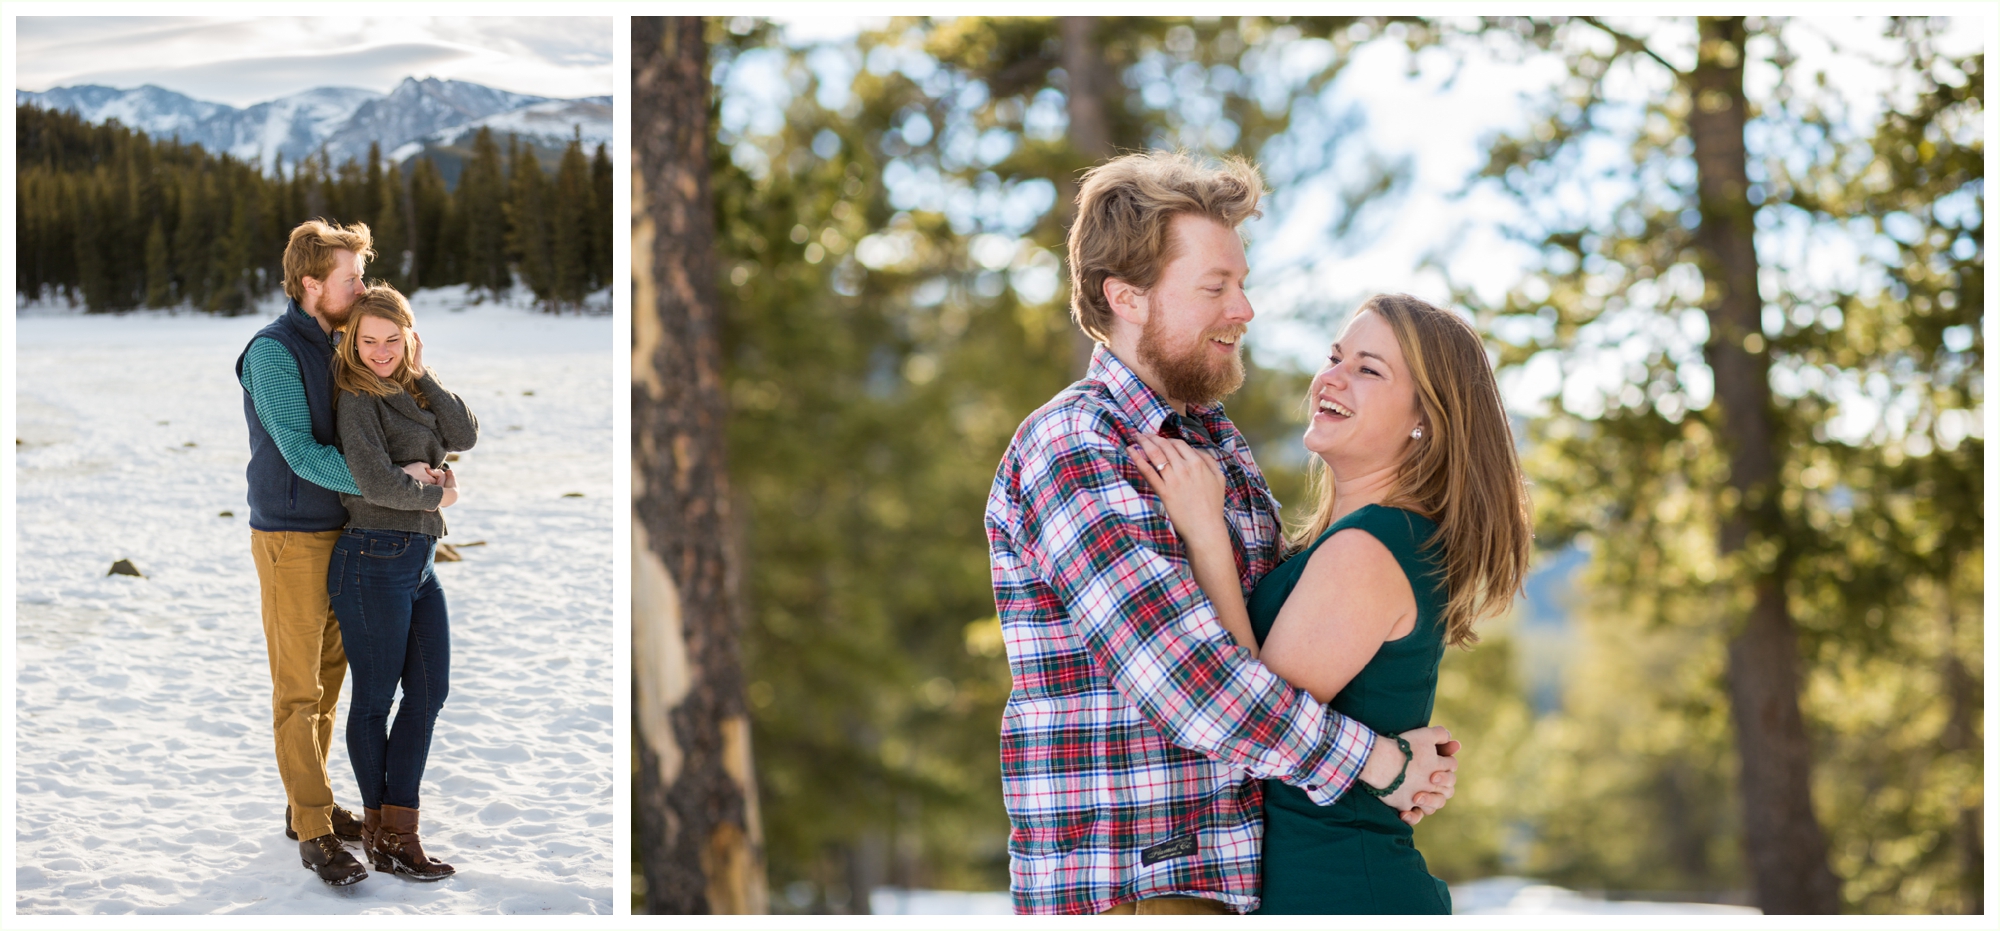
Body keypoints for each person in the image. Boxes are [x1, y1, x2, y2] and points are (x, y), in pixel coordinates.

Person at [984, 152, 1459, 916]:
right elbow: (1188, 682)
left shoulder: (1218, 448)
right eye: (1214, 287)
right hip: (1138, 891)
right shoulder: (1077, 446)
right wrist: (1376, 759)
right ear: (1126, 296)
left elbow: (1282, 649)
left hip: (1233, 890)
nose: (1244, 309)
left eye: (1242, 283)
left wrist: (1395, 736)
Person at [1132, 294, 1533, 913]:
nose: (1332, 378)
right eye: (1335, 356)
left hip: (1342, 886)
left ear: (1424, 419)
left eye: (1369, 370)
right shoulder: (1354, 540)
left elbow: (1251, 712)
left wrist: (1205, 533)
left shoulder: (1371, 546)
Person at [238, 219, 432, 886]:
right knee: (297, 689)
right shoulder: (272, 352)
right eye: (351, 278)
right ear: (312, 284)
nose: (363, 286)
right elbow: (301, 451)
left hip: (350, 536)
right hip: (290, 535)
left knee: (330, 680)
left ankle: (305, 806)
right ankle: (316, 831)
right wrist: (396, 488)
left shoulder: (347, 341)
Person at [327, 285, 478, 881]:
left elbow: (463, 435)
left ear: (409, 338)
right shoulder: (356, 398)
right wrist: (436, 492)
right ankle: (387, 834)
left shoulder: (410, 385)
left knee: (429, 692)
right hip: (370, 557)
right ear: (351, 342)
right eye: (368, 341)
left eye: (393, 340)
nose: (380, 351)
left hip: (417, 561)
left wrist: (423, 370)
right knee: (373, 701)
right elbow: (373, 482)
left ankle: (395, 829)